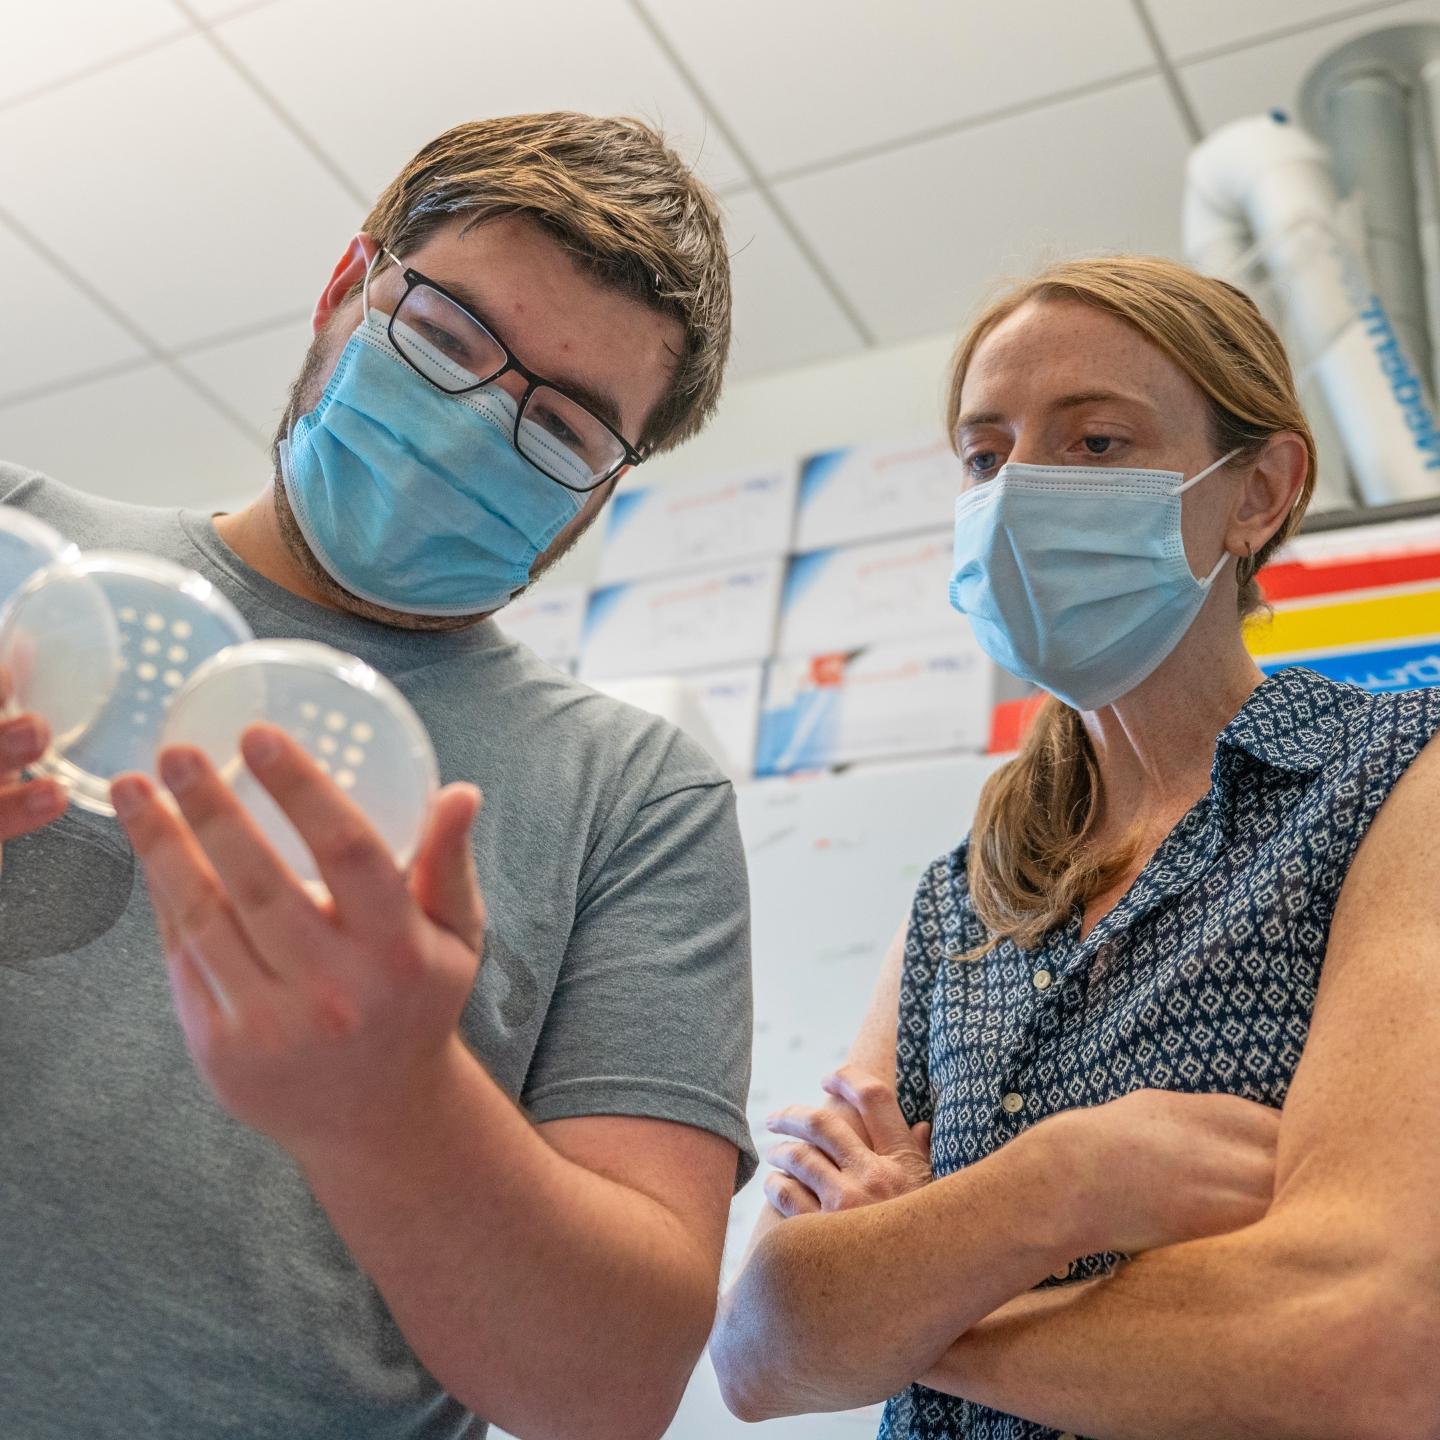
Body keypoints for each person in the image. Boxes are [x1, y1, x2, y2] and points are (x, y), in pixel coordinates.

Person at [0, 112, 754, 1440]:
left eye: (566, 425)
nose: (473, 426)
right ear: (348, 287)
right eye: (448, 339)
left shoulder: (635, 801)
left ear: (602, 490)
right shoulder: (21, 562)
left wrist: (394, 1107)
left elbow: (612, 1388)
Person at [711, 255, 1440, 1439]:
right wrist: (1063, 1186)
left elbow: (1366, 1342)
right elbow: (758, 1352)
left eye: (1096, 443)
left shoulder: (1396, 782)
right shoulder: (960, 900)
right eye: (986, 456)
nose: (1021, 492)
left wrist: (913, 1293)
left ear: (1258, 490)